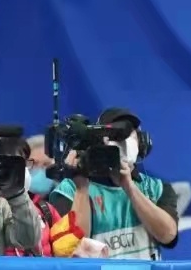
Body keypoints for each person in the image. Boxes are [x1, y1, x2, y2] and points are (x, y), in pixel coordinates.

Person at [48, 108, 178, 259]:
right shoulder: (69, 190)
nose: (123, 141)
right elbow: (73, 248)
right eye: (115, 136)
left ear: (142, 142)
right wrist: (82, 188)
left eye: (129, 134)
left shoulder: (155, 188)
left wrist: (129, 187)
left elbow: (168, 236)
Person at [6, 139, 61, 257]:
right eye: (35, 164)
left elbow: (65, 253)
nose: (40, 170)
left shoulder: (47, 210)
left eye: (46, 164)